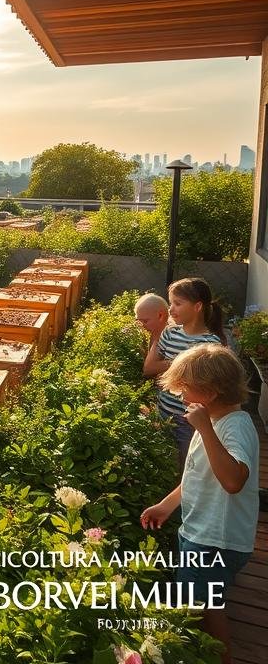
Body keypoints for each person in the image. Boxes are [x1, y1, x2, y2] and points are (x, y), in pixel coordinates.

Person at [141, 344, 258, 664]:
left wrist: (205, 429)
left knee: (205, 608)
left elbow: (234, 481)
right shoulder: (214, 420)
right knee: (201, 602)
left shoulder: (234, 427)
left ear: (211, 391)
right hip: (201, 531)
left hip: (215, 540)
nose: (180, 396)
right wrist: (167, 505)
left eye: (185, 389)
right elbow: (197, 474)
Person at [144, 278, 225, 465]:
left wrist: (171, 364)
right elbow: (149, 368)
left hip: (189, 422)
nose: (171, 309)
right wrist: (184, 361)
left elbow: (207, 388)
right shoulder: (170, 333)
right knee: (160, 464)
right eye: (171, 303)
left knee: (186, 467)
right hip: (162, 412)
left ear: (197, 307)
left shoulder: (212, 345)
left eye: (178, 304)